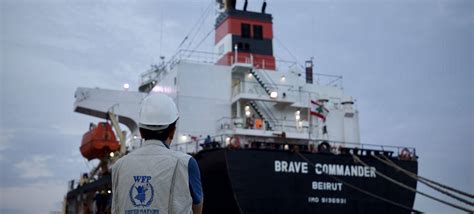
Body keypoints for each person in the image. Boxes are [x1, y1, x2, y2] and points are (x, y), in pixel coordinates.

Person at [112, 93, 203, 214]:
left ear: (141, 132)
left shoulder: (119, 166)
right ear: (172, 130)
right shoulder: (186, 163)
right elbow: (197, 207)